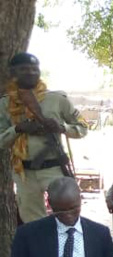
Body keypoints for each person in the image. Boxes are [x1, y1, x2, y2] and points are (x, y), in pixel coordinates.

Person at [0, 53, 87, 223]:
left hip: (54, 168)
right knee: (33, 224)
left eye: (34, 69)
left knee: (67, 217)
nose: (31, 73)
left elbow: (83, 128)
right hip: (24, 173)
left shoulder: (57, 99)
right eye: (24, 69)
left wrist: (62, 128)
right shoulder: (5, 104)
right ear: (13, 73)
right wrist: (17, 129)